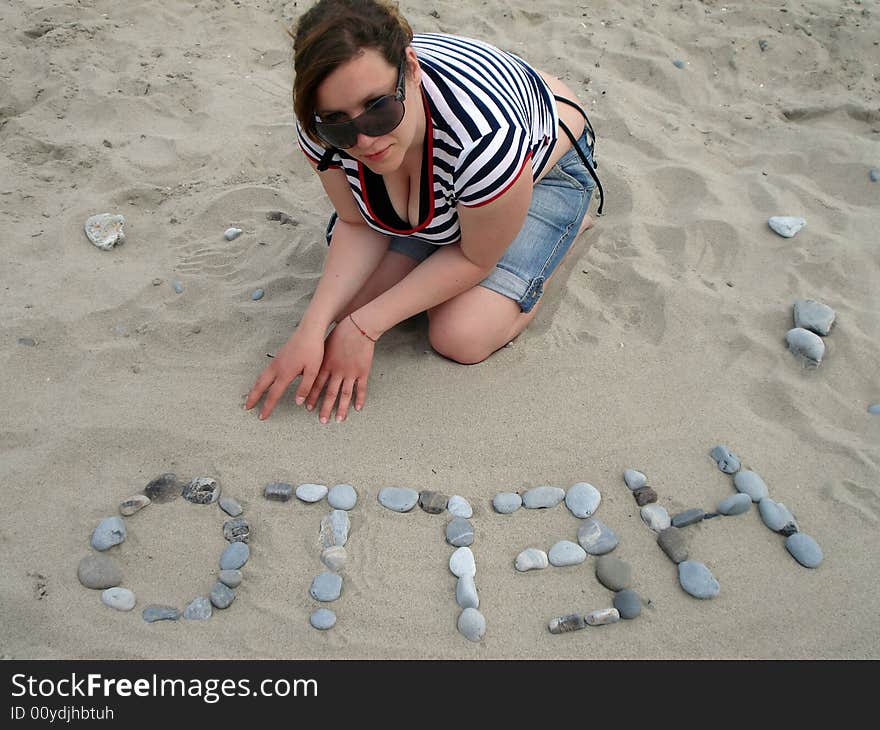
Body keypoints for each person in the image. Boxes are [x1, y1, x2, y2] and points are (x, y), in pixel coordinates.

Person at [245, 0, 604, 424]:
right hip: (441, 186)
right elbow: (356, 222)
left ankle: (560, 233)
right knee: (348, 305)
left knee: (460, 335)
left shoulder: (484, 139)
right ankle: (446, 230)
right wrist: (313, 326)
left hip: (543, 167)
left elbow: (475, 258)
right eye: (339, 123)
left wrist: (364, 328)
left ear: (411, 69)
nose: (363, 140)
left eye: (379, 107)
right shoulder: (322, 125)